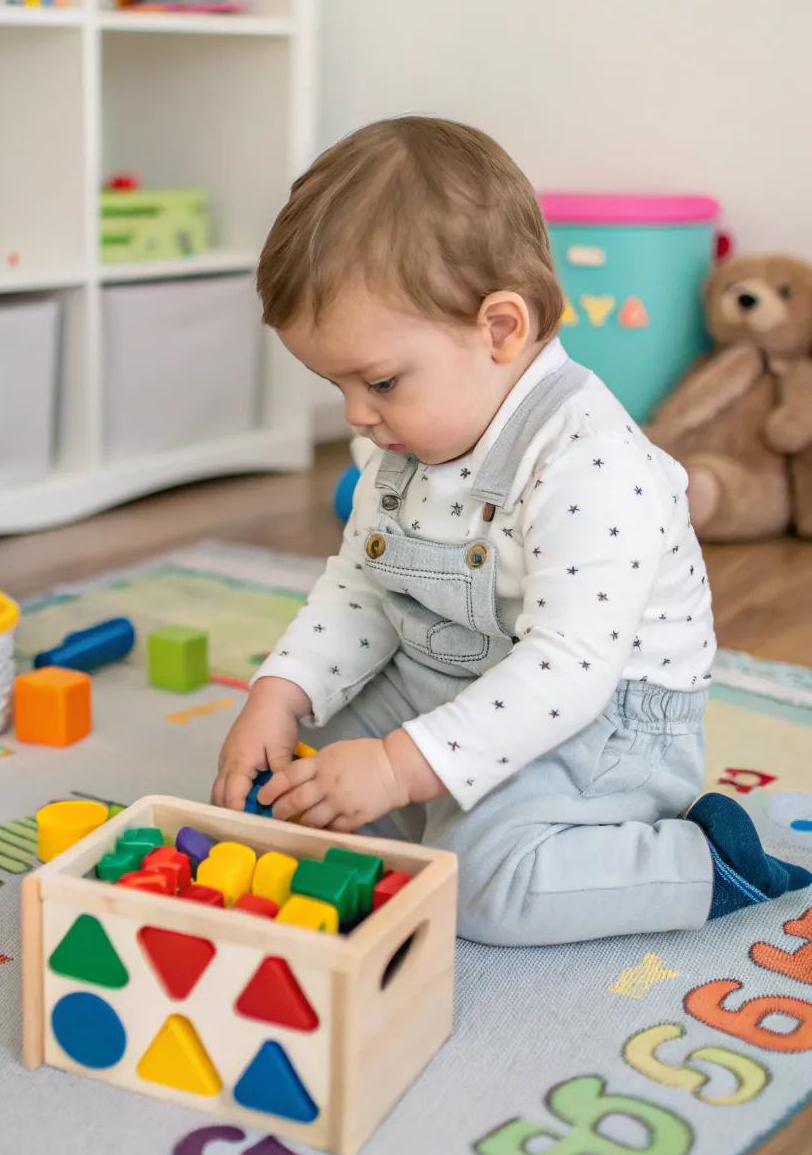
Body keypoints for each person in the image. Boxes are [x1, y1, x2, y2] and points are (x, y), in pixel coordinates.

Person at [213, 117, 810, 944]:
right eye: (336, 385)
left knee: (483, 887)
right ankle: (424, 798)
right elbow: (360, 586)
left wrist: (399, 766)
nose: (356, 415)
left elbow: (567, 670)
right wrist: (280, 694)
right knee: (293, 786)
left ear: (501, 329)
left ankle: (704, 864)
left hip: (600, 721)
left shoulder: (593, 464)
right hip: (444, 671)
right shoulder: (405, 440)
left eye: (379, 382)